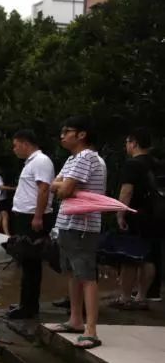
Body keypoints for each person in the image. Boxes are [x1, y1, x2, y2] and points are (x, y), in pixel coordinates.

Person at [47, 117, 107, 349]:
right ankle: (75, 319)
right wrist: (62, 186)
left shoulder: (86, 157)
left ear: (81, 135)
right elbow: (56, 184)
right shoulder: (73, 159)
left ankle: (91, 329)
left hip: (81, 225)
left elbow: (63, 191)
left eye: (67, 131)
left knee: (86, 275)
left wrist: (63, 187)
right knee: (72, 272)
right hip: (68, 223)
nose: (62, 136)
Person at [6, 129, 56, 320]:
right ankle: (25, 302)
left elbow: (43, 190)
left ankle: (29, 307)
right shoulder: (32, 163)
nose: (14, 149)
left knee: (31, 261)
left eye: (15, 144)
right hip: (24, 217)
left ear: (25, 143)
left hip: (32, 218)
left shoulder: (41, 161)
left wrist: (38, 216)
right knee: (25, 260)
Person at [113, 128, 159, 308]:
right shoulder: (157, 164)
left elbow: (127, 191)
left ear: (134, 143)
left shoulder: (132, 164)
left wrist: (120, 213)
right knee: (148, 258)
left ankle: (125, 297)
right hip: (155, 215)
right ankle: (142, 296)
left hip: (135, 214)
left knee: (129, 256)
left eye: (127, 142)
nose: (126, 146)